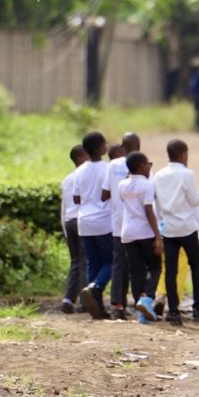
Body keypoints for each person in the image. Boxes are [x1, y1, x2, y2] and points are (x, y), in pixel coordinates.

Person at [153, 138, 199, 325]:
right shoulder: (187, 174)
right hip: (187, 227)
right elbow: (195, 201)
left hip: (169, 228)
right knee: (196, 267)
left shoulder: (159, 175)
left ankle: (173, 311)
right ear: (182, 155)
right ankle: (197, 308)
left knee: (170, 271)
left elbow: (157, 202)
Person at [119, 151, 162, 323]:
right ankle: (146, 299)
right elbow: (149, 210)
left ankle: (142, 315)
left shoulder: (122, 185)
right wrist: (157, 236)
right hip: (145, 232)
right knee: (155, 267)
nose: (150, 167)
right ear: (141, 166)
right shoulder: (146, 184)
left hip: (128, 233)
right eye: (147, 164)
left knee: (136, 272)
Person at [74, 131, 113, 319]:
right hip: (103, 221)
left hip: (84, 221)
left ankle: (96, 307)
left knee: (93, 263)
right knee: (112, 260)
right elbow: (108, 193)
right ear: (100, 148)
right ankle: (95, 287)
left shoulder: (80, 170)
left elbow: (75, 197)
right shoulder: (107, 168)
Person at [102, 132, 140, 319]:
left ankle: (117, 305)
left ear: (122, 146)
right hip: (139, 225)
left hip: (118, 223)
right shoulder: (142, 164)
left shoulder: (112, 165)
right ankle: (140, 303)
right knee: (138, 265)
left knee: (119, 264)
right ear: (138, 146)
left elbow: (104, 194)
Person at [60, 144, 90, 314]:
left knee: (75, 262)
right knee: (85, 261)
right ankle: (85, 301)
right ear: (80, 157)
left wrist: (64, 228)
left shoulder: (67, 179)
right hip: (82, 220)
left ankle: (68, 299)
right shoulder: (84, 176)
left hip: (69, 221)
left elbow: (63, 207)